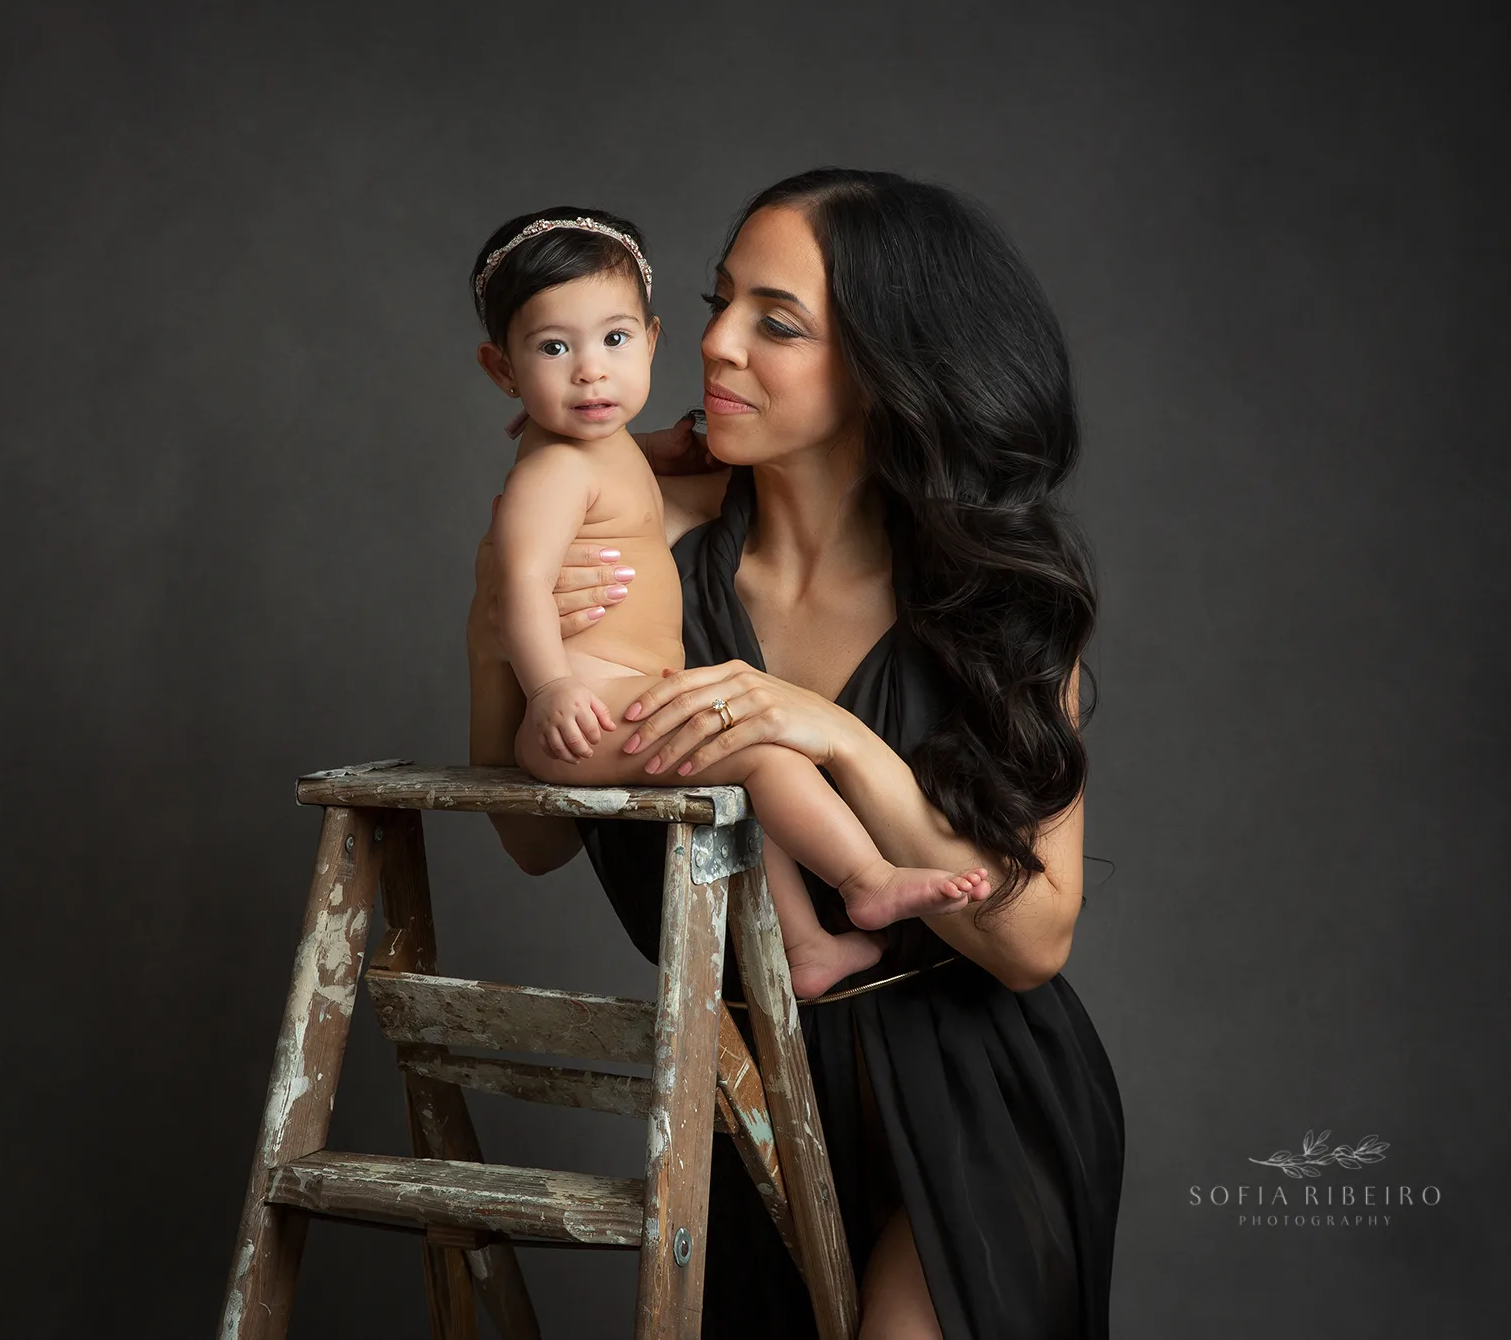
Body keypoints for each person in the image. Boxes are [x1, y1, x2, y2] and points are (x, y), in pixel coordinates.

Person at [468, 168, 1124, 1338]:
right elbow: (527, 836)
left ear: (884, 364)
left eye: (774, 322)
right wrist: (493, 635)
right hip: (744, 1095)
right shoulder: (640, 540)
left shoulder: (993, 602)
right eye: (717, 302)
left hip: (978, 1099)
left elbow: (1030, 941)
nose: (714, 343)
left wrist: (829, 734)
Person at [469, 204, 992, 999]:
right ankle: (863, 881)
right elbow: (522, 583)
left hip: (625, 699)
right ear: (503, 369)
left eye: (613, 340)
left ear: (648, 341)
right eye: (553, 348)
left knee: (747, 779)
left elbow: (602, 471)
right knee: (760, 751)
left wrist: (651, 450)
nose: (590, 372)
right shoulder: (555, 477)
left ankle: (810, 942)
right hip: (594, 705)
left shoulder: (608, 458)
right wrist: (537, 679)